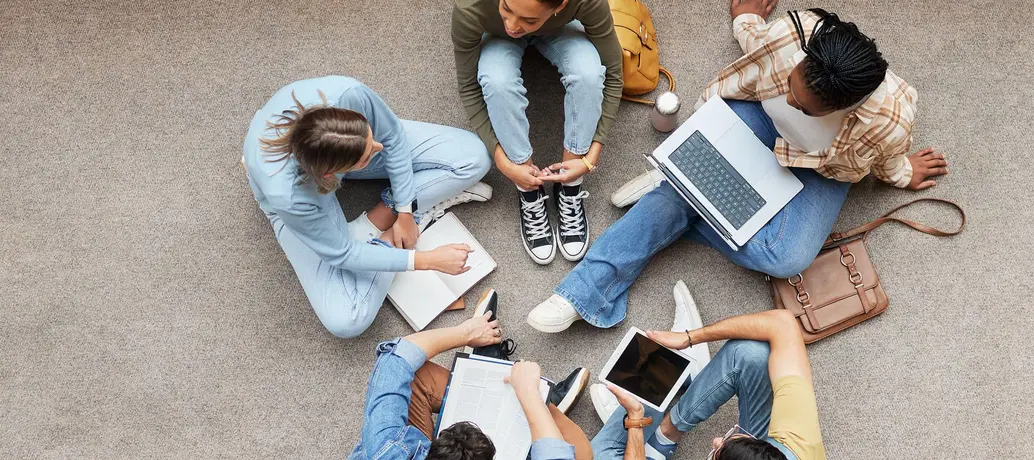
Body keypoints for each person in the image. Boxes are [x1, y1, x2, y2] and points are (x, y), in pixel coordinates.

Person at [526, 1, 949, 333]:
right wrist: (745, 20)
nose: (790, 101)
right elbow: (758, 50)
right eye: (791, 87)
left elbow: (885, 156)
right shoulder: (792, 36)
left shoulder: (889, 121)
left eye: (803, 106)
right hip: (751, 120)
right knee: (694, 198)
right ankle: (584, 291)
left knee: (786, 258)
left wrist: (901, 173)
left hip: (821, 166)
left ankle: (677, 189)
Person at [243, 75, 493, 338]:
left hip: (337, 158)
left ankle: (388, 212)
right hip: (303, 196)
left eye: (370, 136)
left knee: (475, 158)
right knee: (347, 320)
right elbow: (342, 254)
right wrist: (424, 260)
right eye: (368, 155)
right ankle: (387, 237)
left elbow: (392, 138)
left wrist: (405, 211)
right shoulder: (289, 197)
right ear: (333, 174)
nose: (379, 147)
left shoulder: (348, 94)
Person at [452, 0, 623, 264]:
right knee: (497, 83)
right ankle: (527, 184)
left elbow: (614, 74)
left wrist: (589, 160)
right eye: (507, 8)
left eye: (528, 20)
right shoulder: (470, 6)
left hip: (561, 27)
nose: (513, 25)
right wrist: (504, 163)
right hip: (494, 37)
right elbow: (468, 87)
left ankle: (570, 181)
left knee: (589, 75)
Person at [347, 289, 592, 460]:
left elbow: (395, 359)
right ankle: (533, 396)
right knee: (580, 450)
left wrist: (465, 332)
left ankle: (491, 371)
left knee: (415, 375)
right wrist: (530, 396)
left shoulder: (385, 451)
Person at [589, 308, 825, 460]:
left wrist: (635, 419)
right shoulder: (797, 442)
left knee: (600, 454)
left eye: (716, 451)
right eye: (729, 437)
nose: (715, 439)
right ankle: (665, 433)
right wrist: (690, 337)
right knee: (751, 355)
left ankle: (650, 421)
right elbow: (782, 323)